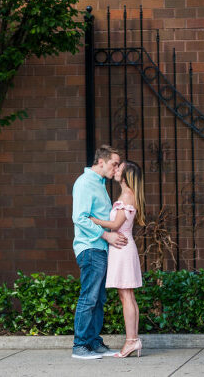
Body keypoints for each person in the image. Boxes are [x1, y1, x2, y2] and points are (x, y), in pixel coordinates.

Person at [71, 145, 128, 360]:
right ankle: (80, 346)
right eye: (114, 164)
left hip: (100, 249)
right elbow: (80, 218)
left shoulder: (99, 184)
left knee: (98, 298)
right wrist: (106, 236)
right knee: (89, 297)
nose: (116, 168)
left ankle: (93, 342)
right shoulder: (85, 183)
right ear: (101, 162)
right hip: (91, 247)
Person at [89, 160, 145, 358]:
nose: (116, 170)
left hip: (122, 249)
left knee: (126, 296)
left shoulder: (128, 196)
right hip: (122, 248)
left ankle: (131, 341)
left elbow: (115, 225)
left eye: (119, 168)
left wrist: (92, 220)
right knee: (127, 295)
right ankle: (133, 340)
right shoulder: (127, 195)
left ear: (126, 175)